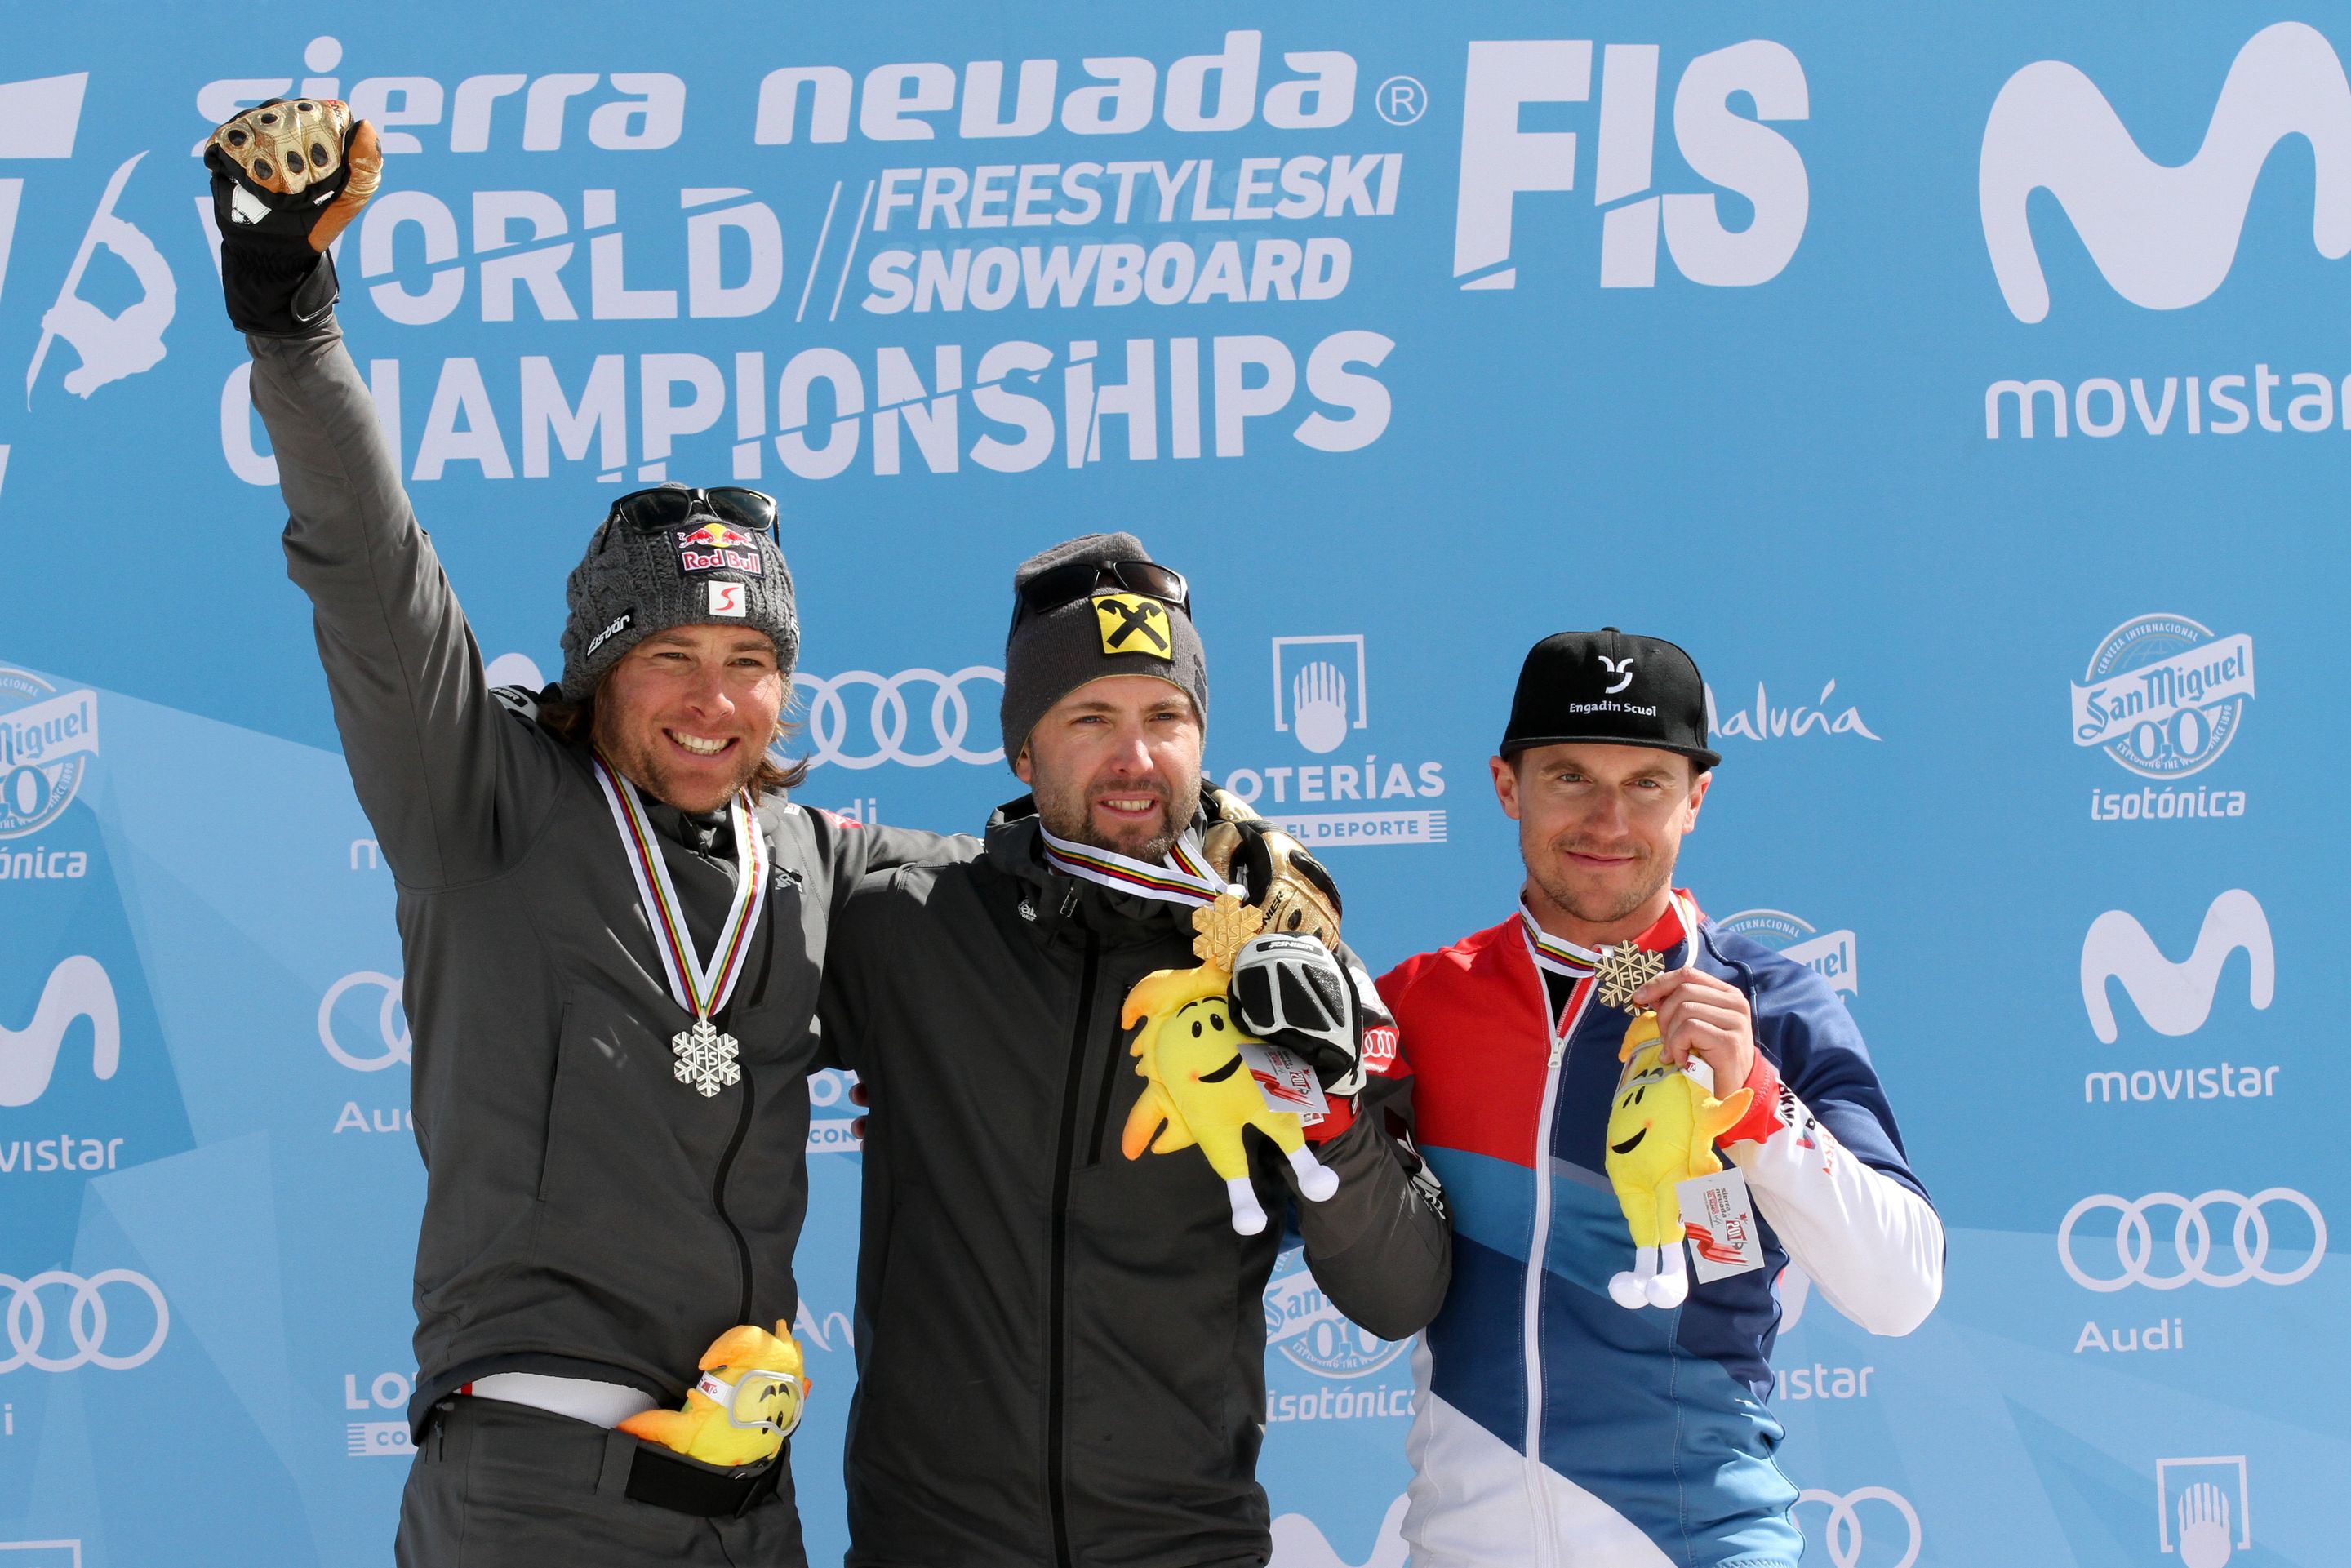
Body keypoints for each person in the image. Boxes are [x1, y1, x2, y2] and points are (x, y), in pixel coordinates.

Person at [203, 100, 947, 1566]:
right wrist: (292, 322)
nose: (711, 702)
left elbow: (1022, 899)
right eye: (669, 660)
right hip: (540, 1487)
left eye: (749, 668)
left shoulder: (809, 864)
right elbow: (372, 572)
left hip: (750, 1498)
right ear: (598, 672)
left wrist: (1218, 881)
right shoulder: (482, 804)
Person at [818, 533, 1451, 1568]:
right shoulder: (910, 928)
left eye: (1166, 718)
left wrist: (1327, 1109)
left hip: (1184, 1547)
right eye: (1091, 719)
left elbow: (1399, 1295)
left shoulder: (1280, 958)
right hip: (930, 1545)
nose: (1136, 757)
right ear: (1023, 748)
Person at [1382, 629, 1943, 1568]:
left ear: (1697, 798)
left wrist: (1757, 1101)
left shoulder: (1773, 1007)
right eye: (1569, 776)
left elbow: (1901, 1287)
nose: (1608, 820)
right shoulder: (1416, 1004)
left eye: (1646, 782)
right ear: (1505, 785)